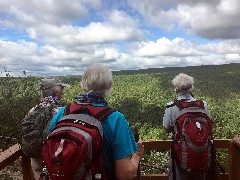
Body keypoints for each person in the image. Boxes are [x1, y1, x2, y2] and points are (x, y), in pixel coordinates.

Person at [48, 64, 144, 179]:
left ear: (83, 84)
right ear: (109, 87)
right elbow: (124, 174)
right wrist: (137, 155)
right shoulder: (116, 119)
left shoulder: (62, 113)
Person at [163, 73, 213, 180]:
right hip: (203, 151)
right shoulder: (203, 104)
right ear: (191, 88)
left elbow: (166, 127)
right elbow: (209, 124)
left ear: (176, 88)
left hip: (181, 152)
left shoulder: (171, 106)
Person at [30, 77, 68, 179]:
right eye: (62, 90)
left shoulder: (34, 110)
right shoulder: (60, 112)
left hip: (35, 157)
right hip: (51, 159)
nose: (63, 93)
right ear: (56, 92)